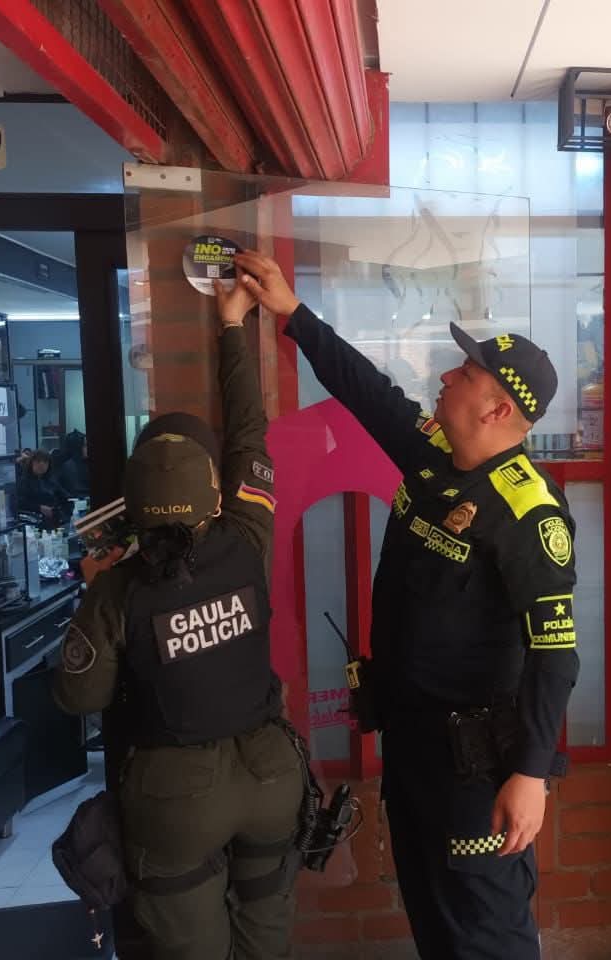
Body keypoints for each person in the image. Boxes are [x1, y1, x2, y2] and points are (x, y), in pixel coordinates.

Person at [231, 250, 579, 960]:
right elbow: (367, 390)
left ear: (498, 409)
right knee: (435, 926)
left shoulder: (528, 513)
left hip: (475, 773)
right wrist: (293, 313)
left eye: (466, 373)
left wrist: (531, 773)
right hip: (413, 750)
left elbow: (556, 656)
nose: (446, 376)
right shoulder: (432, 456)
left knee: (486, 934)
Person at [52, 289, 303, 960]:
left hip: (175, 796)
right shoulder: (248, 536)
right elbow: (249, 432)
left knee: (192, 946)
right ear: (215, 495)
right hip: (271, 772)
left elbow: (77, 695)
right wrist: (231, 324)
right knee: (267, 932)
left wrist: (93, 594)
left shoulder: (118, 589)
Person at [18, 449, 71, 528]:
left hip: (54, 519)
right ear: (31, 463)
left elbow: (65, 496)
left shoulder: (51, 480)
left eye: (45, 462)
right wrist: (39, 508)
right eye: (38, 461)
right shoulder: (24, 481)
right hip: (34, 520)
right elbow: (20, 503)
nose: (42, 464)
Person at [56, 430, 90, 498]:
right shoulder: (69, 466)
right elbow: (77, 491)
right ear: (77, 447)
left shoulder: (86, 463)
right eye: (85, 445)